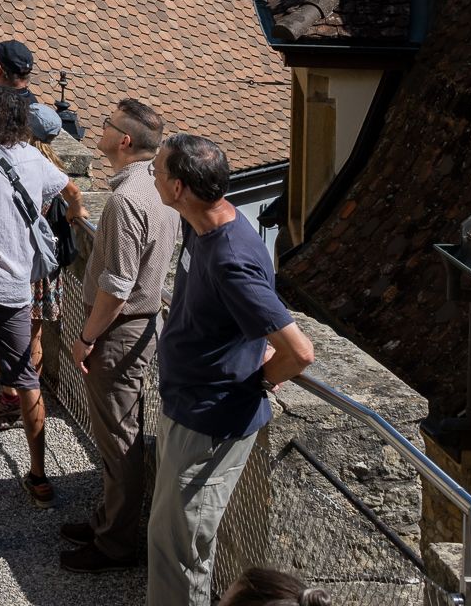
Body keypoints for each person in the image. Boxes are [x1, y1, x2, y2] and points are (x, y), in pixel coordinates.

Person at [147, 134, 317, 606]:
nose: (152, 176)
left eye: (156, 170)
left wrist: (261, 378)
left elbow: (300, 351)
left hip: (210, 422)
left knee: (178, 549)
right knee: (171, 536)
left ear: (178, 187)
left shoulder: (230, 258)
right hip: (189, 407)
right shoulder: (203, 225)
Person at [61, 98, 180, 573]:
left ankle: (115, 542)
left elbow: (116, 285)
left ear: (124, 140)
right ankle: (107, 520)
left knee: (117, 438)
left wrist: (87, 336)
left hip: (116, 329)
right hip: (137, 324)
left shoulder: (126, 200)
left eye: (107, 124)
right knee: (118, 432)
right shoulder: (157, 188)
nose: (100, 128)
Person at [0, 81, 82, 510]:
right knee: (27, 378)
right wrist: (77, 213)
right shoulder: (35, 158)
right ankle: (38, 473)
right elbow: (70, 190)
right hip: (16, 284)